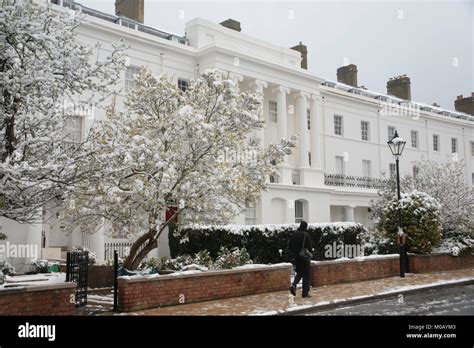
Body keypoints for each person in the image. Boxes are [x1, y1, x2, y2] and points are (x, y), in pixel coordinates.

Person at [288, 220, 312, 298]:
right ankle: (305, 293)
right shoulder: (306, 235)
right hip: (304, 257)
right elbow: (309, 247)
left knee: (300, 272)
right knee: (306, 275)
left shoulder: (294, 234)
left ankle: (294, 285)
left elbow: (290, 245)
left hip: (296, 257)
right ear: (305, 227)